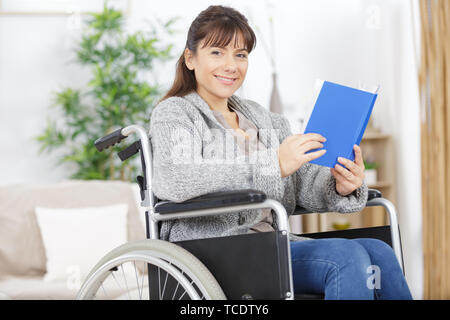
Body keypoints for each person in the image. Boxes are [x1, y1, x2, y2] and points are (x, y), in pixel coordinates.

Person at [150, 5, 412, 300]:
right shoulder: (174, 113)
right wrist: (272, 164)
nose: (231, 65)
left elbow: (301, 181)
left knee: (379, 251)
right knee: (346, 256)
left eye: (240, 54)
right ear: (190, 58)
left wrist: (339, 185)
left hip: (270, 244)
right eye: (216, 52)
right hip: (214, 250)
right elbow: (177, 178)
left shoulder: (266, 119)